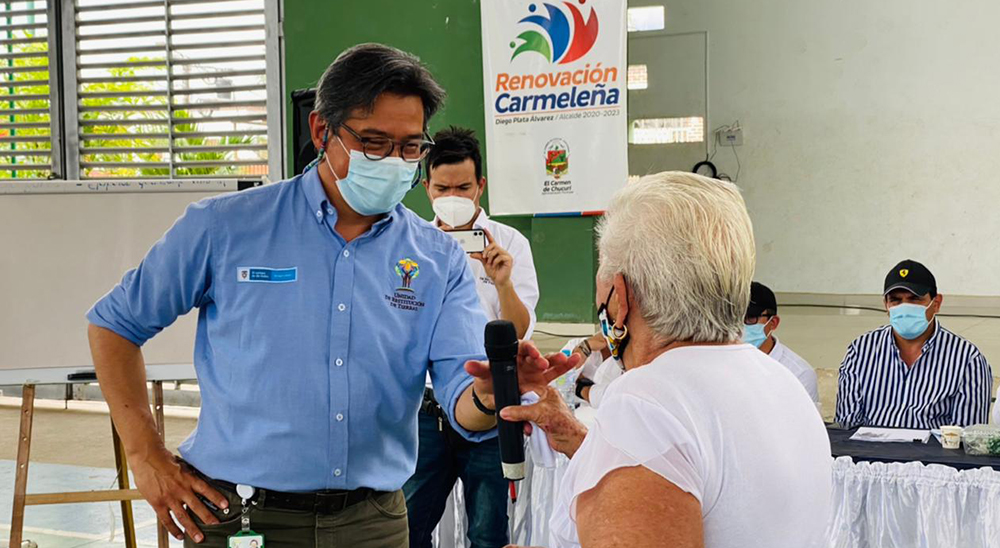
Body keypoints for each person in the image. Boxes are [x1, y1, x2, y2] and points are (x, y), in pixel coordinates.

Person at [86, 43, 576, 548]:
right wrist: (145, 455)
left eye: (410, 147)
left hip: (373, 524)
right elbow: (114, 324)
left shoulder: (439, 259)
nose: (393, 162)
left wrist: (490, 394)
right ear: (322, 131)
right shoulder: (226, 228)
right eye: (374, 142)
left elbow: (460, 398)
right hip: (236, 516)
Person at [504, 172, 832, 548]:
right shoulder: (779, 381)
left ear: (620, 298)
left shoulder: (645, 402)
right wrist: (582, 441)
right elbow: (706, 487)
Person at [404, 126, 540, 548]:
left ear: (481, 186)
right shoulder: (411, 245)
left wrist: (502, 282)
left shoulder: (510, 243)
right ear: (426, 187)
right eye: (443, 187)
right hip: (425, 411)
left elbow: (518, 332)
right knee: (408, 526)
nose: (454, 196)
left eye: (464, 186)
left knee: (487, 531)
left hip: (490, 407)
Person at [836, 259, 992, 429]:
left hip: (932, 455)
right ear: (886, 305)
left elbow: (968, 438)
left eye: (914, 299)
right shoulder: (861, 351)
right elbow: (846, 428)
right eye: (895, 300)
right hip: (870, 454)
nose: (904, 307)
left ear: (936, 303)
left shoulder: (967, 359)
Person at [742, 281, 820, 407]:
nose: (740, 325)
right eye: (734, 317)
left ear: (773, 323)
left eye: (750, 318)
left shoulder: (798, 373)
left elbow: (803, 424)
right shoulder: (719, 363)